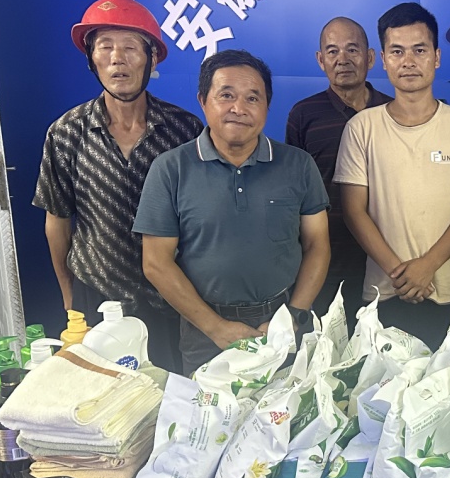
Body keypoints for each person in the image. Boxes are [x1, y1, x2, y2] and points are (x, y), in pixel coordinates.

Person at [34, 0, 202, 374]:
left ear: (151, 58)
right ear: (91, 59)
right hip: (97, 295)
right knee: (104, 398)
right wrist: (69, 299)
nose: (117, 58)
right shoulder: (67, 132)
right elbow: (57, 221)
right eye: (105, 46)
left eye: (130, 47)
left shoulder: (184, 130)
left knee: (171, 391)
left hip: (170, 296)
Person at [134, 49, 330, 375]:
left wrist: (293, 315)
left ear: (267, 106)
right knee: (208, 409)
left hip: (283, 324)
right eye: (226, 95)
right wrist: (216, 328)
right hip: (204, 332)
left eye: (253, 98)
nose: (239, 108)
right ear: (203, 101)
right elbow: (156, 262)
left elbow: (317, 245)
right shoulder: (170, 169)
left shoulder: (298, 165)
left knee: (291, 406)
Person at [334, 2, 450, 345]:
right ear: (382, 59)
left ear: (436, 57)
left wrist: (427, 266)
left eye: (419, 50)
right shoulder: (362, 127)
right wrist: (401, 274)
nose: (408, 61)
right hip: (384, 292)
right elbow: (353, 211)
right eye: (397, 51)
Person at [284, 17, 392, 326]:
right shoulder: (304, 114)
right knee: (326, 345)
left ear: (370, 58)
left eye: (352, 50)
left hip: (387, 259)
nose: (342, 59)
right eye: (332, 51)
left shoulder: (393, 112)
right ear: (321, 60)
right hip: (325, 259)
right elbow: (294, 191)